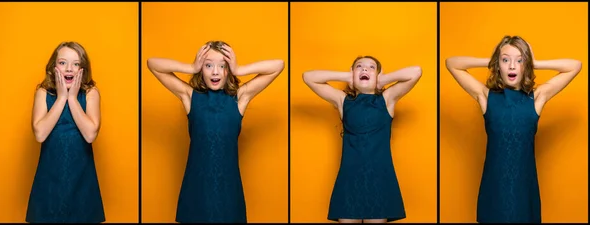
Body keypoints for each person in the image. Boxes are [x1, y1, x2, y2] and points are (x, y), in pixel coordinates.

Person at [445, 35, 582, 223]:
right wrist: (493, 59)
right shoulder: (486, 97)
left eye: (519, 61)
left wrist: (535, 63)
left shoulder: (537, 97)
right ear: (498, 65)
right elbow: (451, 63)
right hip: (494, 189)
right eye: (505, 60)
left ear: (525, 65)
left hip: (525, 191)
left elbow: (575, 65)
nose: (511, 66)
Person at [147, 40, 285, 223]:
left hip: (229, 190)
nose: (215, 72)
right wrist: (190, 67)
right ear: (201, 69)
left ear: (228, 69)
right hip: (196, 188)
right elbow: (152, 63)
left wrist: (239, 69)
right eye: (208, 65)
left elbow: (279, 65)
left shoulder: (240, 98)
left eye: (222, 66)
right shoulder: (190, 96)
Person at [303, 56, 422, 223]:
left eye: (371, 67)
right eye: (359, 66)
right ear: (352, 74)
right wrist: (346, 76)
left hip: (380, 179)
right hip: (349, 180)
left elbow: (416, 71)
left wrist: (383, 80)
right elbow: (308, 77)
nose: (365, 69)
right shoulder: (343, 101)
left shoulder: (387, 100)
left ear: (378, 75)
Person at [27, 41, 105, 223]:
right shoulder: (43, 93)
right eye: (63, 63)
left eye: (76, 64)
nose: (69, 68)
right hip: (49, 180)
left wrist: (72, 98)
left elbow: (90, 134)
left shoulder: (91, 93)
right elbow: (40, 134)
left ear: (83, 69)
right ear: (53, 67)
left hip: (82, 179)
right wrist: (62, 97)